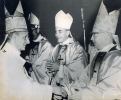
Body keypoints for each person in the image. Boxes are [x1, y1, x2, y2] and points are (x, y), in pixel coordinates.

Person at [66, 1, 121, 100]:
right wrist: (70, 89)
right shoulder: (98, 55)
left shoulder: (117, 58)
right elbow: (84, 79)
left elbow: (108, 90)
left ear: (105, 35)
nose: (91, 38)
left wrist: (82, 94)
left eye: (95, 34)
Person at [0, 1, 52, 100]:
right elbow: (27, 92)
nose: (28, 41)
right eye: (25, 37)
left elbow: (27, 83)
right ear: (15, 37)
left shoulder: (10, 57)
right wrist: (51, 91)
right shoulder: (7, 60)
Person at [46, 10, 88, 99]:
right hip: (55, 91)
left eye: (60, 31)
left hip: (69, 92)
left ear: (68, 32)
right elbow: (49, 66)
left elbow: (80, 72)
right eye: (56, 31)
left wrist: (59, 68)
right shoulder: (56, 48)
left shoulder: (77, 49)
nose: (56, 35)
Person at [25, 13, 53, 84]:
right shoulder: (27, 44)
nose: (30, 33)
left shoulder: (46, 46)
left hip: (41, 84)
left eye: (32, 30)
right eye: (28, 31)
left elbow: (42, 69)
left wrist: (29, 65)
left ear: (38, 29)